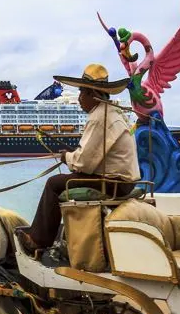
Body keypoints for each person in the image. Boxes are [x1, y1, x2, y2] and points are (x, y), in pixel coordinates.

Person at [16, 63, 141, 256]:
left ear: (93, 94)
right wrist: (73, 156)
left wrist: (66, 156)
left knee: (53, 183)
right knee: (68, 178)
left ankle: (38, 240)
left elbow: (83, 163)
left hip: (113, 183)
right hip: (124, 180)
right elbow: (92, 156)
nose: (79, 99)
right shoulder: (113, 112)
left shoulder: (99, 117)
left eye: (82, 93)